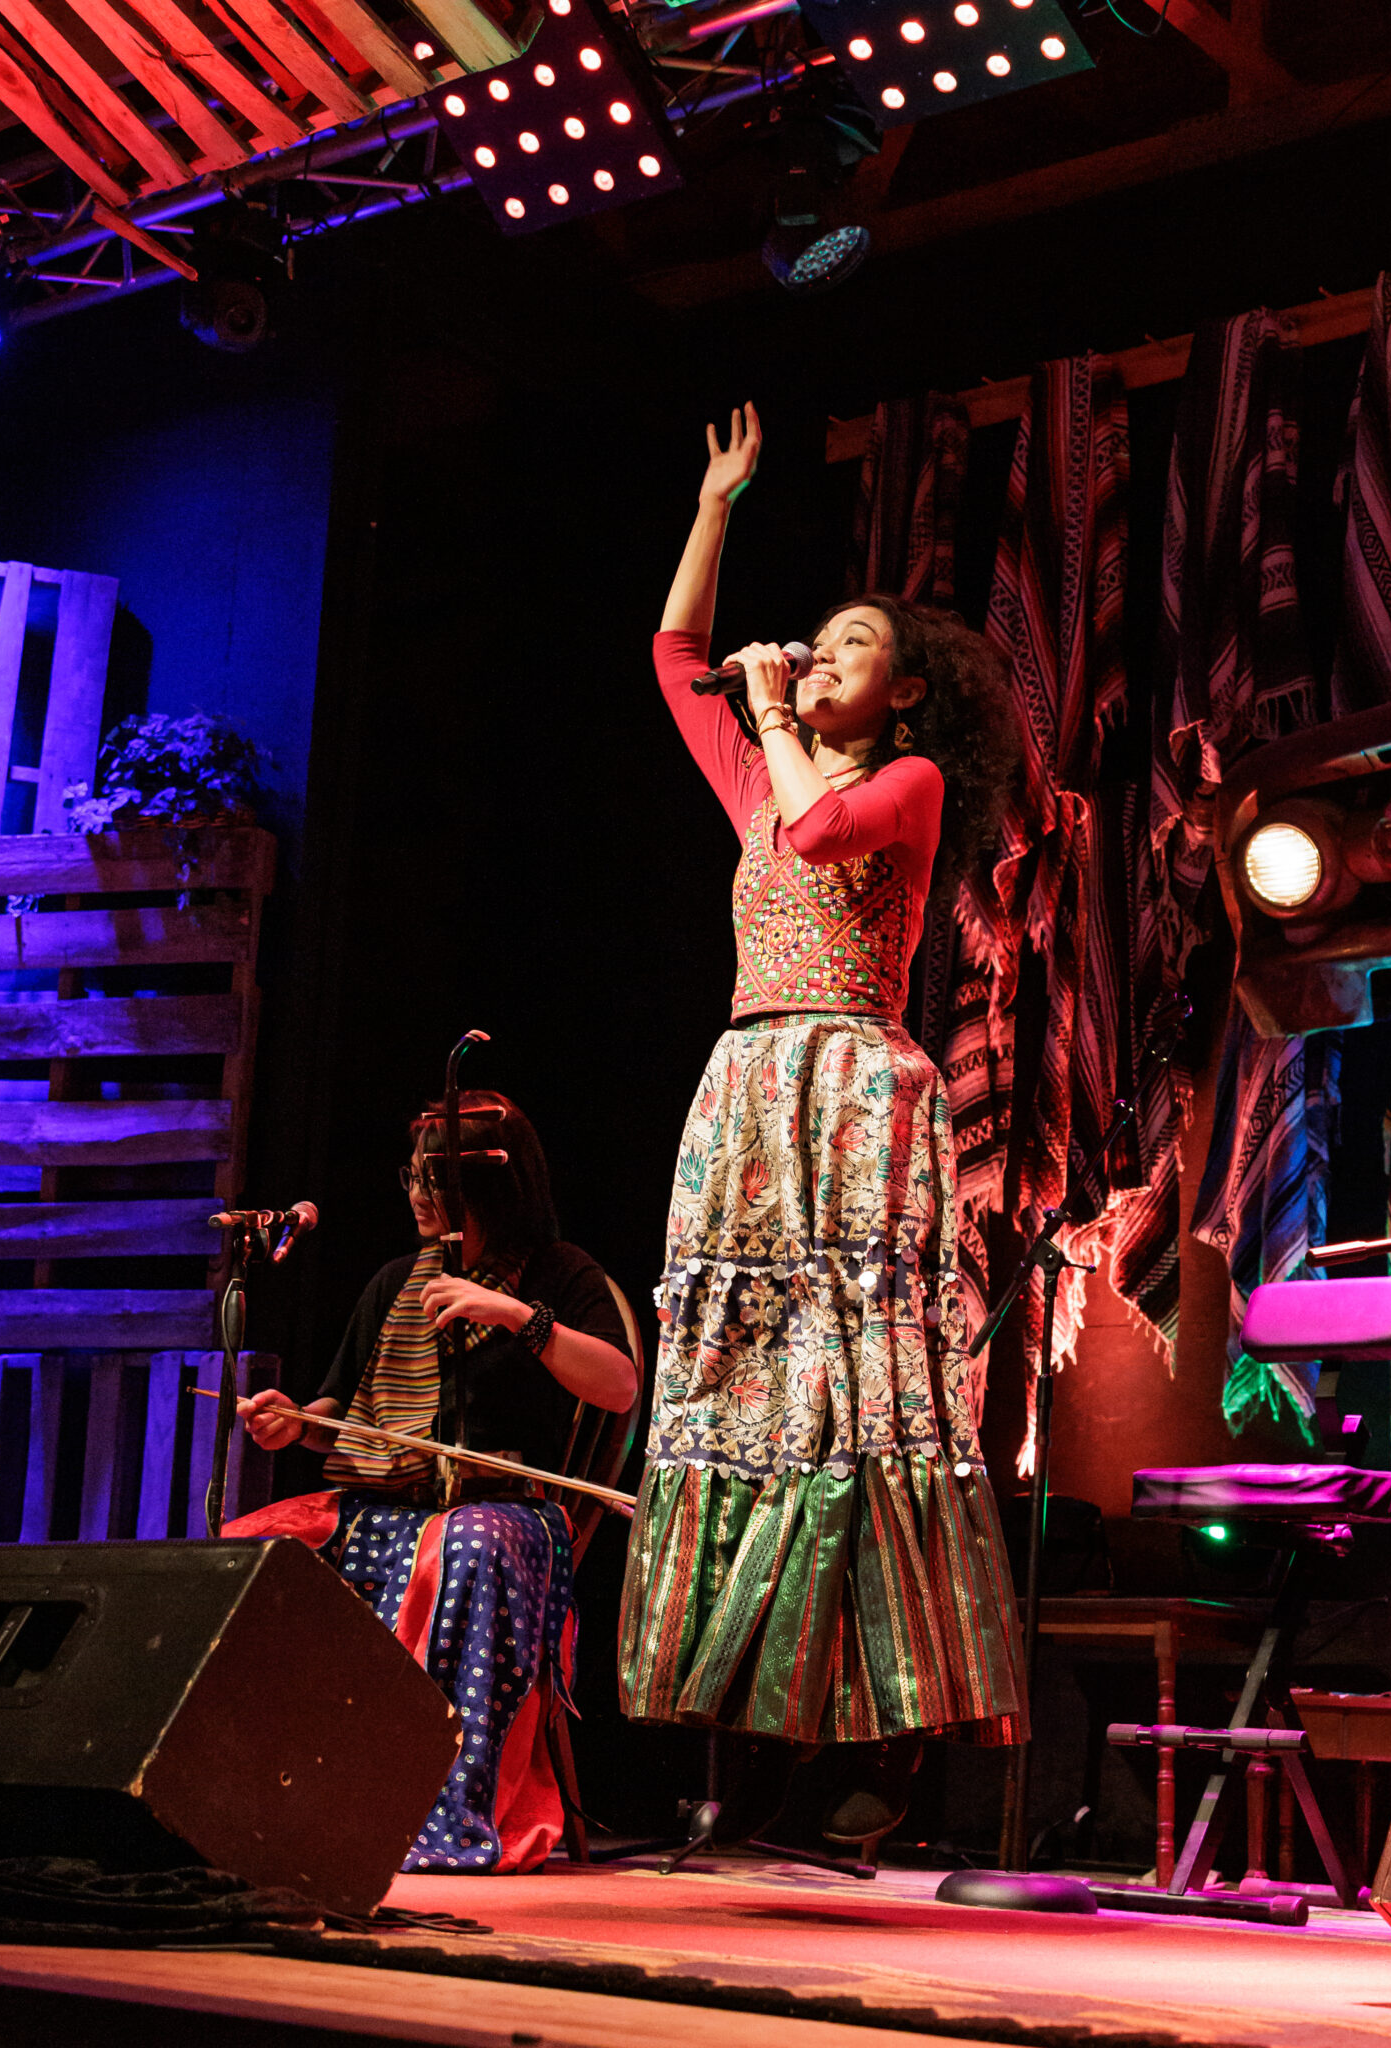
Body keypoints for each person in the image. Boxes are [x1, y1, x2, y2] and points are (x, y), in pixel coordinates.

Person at [616, 401, 1026, 1860]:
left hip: (853, 1091)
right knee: (755, 1406)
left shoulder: (903, 787)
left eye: (850, 646)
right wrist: (716, 505)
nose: (815, 655)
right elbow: (674, 659)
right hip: (749, 1090)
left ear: (905, 696)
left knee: (854, 1403)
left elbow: (816, 839)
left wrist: (779, 715)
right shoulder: (761, 766)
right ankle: (770, 1712)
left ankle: (893, 1737)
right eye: (819, 641)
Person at [231, 1091, 636, 1873]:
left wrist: (520, 1316)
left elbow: (618, 1386)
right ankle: (265, 1800)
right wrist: (295, 1422)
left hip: (505, 1518)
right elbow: (336, 1412)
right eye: (413, 1178)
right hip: (388, 1511)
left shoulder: (557, 1273)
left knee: (462, 1545)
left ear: (489, 1189)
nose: (416, 1196)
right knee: (252, 1551)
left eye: (435, 1181)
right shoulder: (395, 1283)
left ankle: (436, 1812)